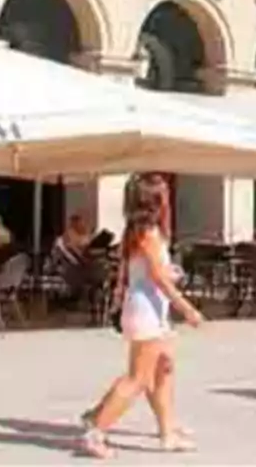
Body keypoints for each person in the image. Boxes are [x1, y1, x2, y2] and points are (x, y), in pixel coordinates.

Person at [80, 175, 204, 458]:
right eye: (164, 195)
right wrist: (187, 308)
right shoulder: (146, 233)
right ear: (154, 201)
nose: (169, 200)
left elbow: (148, 271)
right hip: (146, 310)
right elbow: (158, 277)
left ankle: (167, 431)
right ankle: (96, 428)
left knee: (164, 368)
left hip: (150, 308)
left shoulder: (143, 231)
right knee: (139, 378)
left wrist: (172, 274)